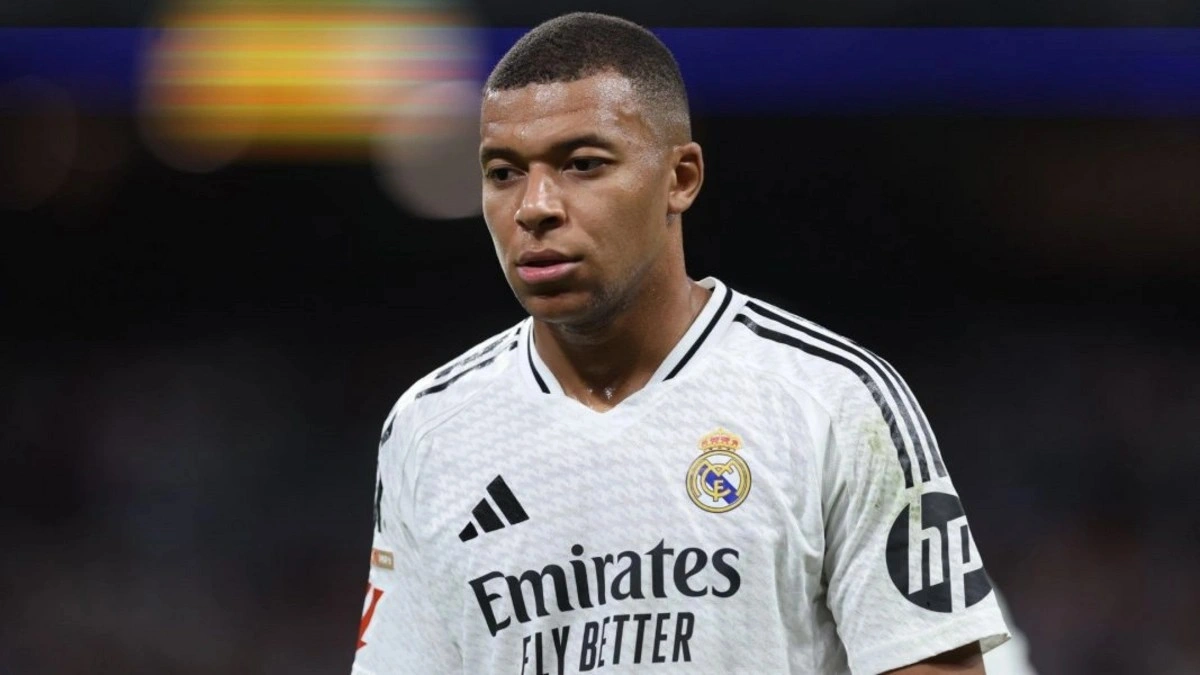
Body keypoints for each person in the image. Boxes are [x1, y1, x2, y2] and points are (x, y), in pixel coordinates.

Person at [352, 12, 1011, 674]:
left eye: (583, 164)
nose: (535, 206)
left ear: (681, 177)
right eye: (503, 172)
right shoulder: (430, 428)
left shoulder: (833, 398)